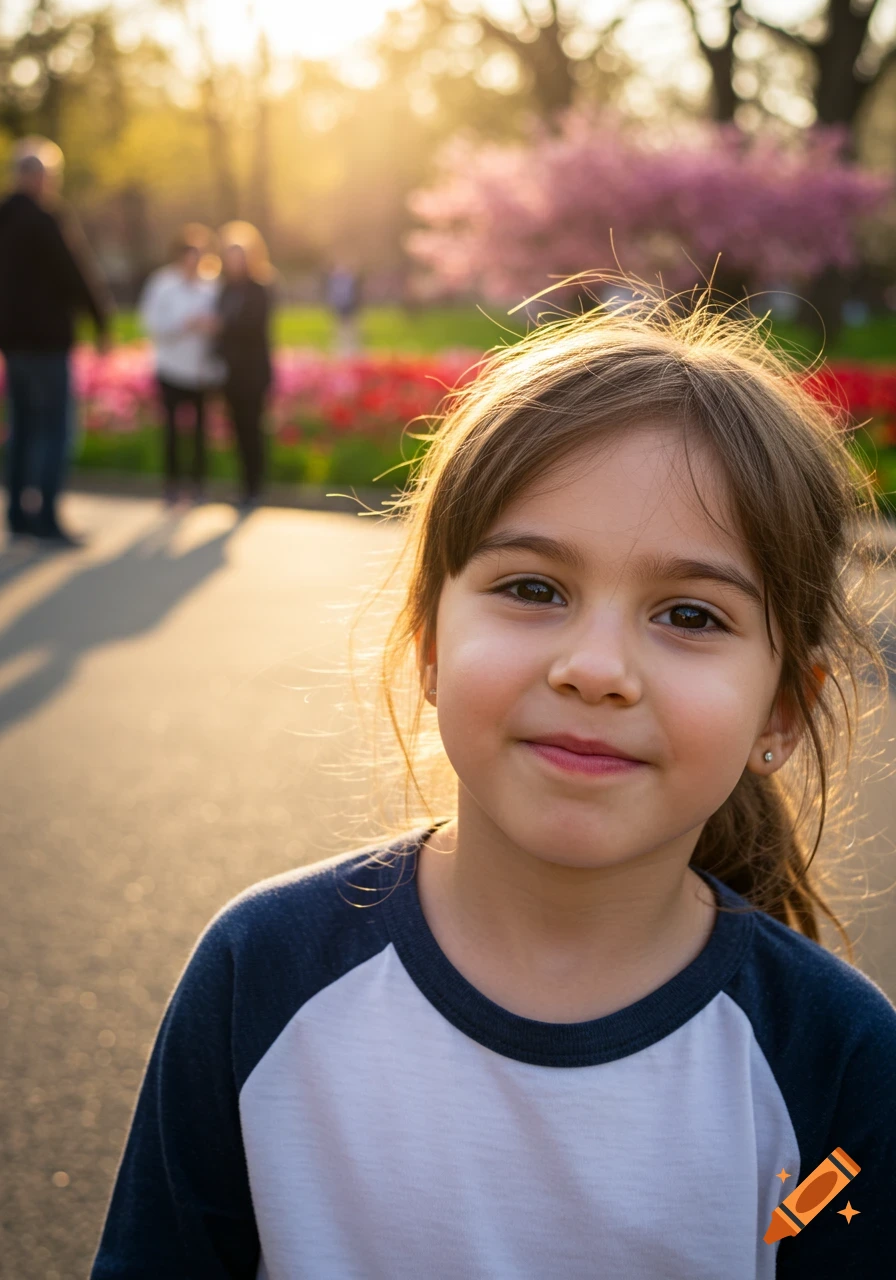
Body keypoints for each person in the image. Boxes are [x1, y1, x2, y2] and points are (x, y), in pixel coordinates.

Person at [90, 284, 896, 1277]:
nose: (593, 666)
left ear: (779, 708)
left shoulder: (839, 1057)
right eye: (531, 588)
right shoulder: (263, 972)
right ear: (428, 640)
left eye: (689, 615)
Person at [0, 137, 111, 546]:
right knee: (52, 430)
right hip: (46, 343)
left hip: (13, 344)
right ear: (39, 177)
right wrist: (101, 321)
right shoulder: (46, 220)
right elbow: (75, 273)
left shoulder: (4, 219)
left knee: (22, 430)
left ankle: (17, 516)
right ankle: (45, 517)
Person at [138, 225, 223, 506]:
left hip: (201, 370)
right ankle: (172, 484)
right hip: (171, 367)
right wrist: (184, 325)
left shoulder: (211, 286)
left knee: (200, 432)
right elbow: (149, 323)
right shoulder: (162, 284)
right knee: (172, 432)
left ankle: (199, 483)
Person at [215, 221, 274, 511]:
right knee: (237, 431)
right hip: (230, 373)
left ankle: (255, 486)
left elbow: (253, 326)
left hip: (253, 372)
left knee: (252, 429)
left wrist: (221, 327)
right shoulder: (224, 289)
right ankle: (243, 485)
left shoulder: (260, 289)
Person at [325, 260, 361, 354]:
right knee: (342, 328)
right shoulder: (336, 280)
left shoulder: (347, 280)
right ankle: (344, 348)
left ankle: (351, 348)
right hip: (342, 305)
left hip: (347, 305)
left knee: (349, 328)